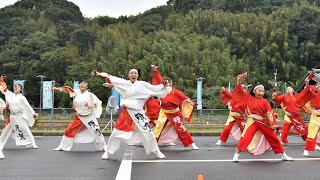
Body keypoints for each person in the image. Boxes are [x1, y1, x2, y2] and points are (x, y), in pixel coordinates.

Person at [92, 68, 172, 159]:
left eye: (135, 73)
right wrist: (98, 74)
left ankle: (156, 151)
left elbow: (154, 88)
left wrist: (163, 86)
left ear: (137, 75)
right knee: (116, 133)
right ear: (129, 75)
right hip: (127, 112)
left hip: (138, 113)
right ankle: (108, 152)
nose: (133, 74)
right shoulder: (124, 83)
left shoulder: (143, 84)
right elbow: (110, 77)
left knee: (148, 132)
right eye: (131, 73)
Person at [231, 72, 293, 162]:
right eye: (259, 91)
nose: (261, 93)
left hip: (262, 122)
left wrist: (272, 124)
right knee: (246, 138)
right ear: (254, 91)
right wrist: (238, 81)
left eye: (262, 91)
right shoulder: (249, 98)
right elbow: (239, 91)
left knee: (273, 137)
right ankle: (236, 155)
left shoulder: (265, 101)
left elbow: (269, 113)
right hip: (253, 121)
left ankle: (283, 155)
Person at [151, 66, 199, 150]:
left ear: (172, 83)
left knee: (181, 128)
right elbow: (158, 79)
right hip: (164, 112)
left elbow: (185, 98)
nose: (168, 84)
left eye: (170, 83)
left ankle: (191, 143)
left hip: (174, 113)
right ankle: (153, 144)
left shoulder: (176, 92)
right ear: (164, 84)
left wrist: (192, 103)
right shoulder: (162, 90)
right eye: (167, 83)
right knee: (158, 127)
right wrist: (155, 70)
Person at [52, 81, 107, 152]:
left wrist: (90, 106)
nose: (82, 85)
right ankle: (63, 146)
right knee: (69, 130)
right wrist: (56, 89)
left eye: (84, 84)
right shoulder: (76, 92)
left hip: (89, 117)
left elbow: (96, 102)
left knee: (96, 131)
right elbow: (67, 89)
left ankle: (103, 146)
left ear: (87, 87)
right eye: (81, 84)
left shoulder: (90, 95)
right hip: (79, 117)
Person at [0, 80, 39, 159]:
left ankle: (32, 143)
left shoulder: (22, 97)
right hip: (12, 117)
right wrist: (1, 82)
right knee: (6, 130)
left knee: (25, 129)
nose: (16, 88)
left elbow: (27, 106)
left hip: (20, 116)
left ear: (21, 89)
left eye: (18, 87)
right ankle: (1, 144)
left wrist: (33, 113)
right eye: (15, 87)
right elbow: (5, 90)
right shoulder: (12, 95)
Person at [302, 77, 320, 156]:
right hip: (315, 116)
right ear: (317, 88)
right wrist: (307, 83)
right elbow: (308, 90)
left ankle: (318, 144)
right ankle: (306, 149)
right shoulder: (313, 95)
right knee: (312, 133)